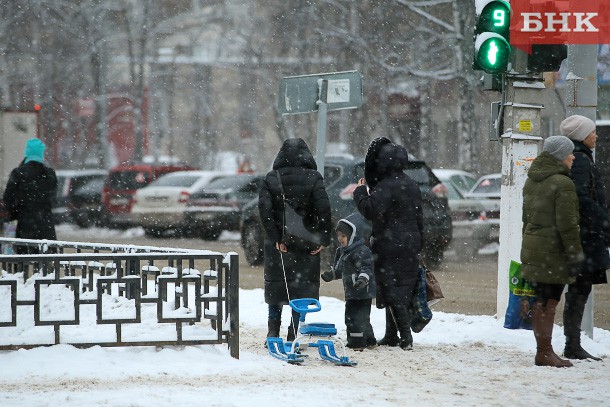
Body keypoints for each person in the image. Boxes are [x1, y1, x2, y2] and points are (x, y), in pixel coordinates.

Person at [258, 138, 332, 344]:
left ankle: (273, 332)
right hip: (306, 243)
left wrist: (275, 238)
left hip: (279, 244)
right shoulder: (314, 178)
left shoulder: (271, 178)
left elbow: (265, 211)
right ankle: (294, 332)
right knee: (302, 290)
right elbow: (324, 210)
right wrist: (322, 239)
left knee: (277, 287)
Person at [353, 137, 423, 350]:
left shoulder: (387, 186)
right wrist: (420, 242)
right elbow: (419, 217)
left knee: (392, 290)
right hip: (410, 242)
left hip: (391, 242)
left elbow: (369, 209)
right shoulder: (411, 184)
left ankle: (405, 337)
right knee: (401, 288)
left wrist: (360, 192)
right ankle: (392, 335)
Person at [521, 135, 584, 368]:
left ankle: (543, 351)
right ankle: (545, 353)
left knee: (540, 299)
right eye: (569, 152)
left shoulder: (532, 180)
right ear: (559, 155)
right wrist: (576, 255)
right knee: (549, 300)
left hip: (535, 248)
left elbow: (525, 219)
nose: (573, 156)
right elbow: (568, 225)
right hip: (553, 251)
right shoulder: (563, 183)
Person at [560, 115, 609, 361]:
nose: (596, 136)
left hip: (585, 235)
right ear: (581, 136)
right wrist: (603, 219)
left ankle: (573, 342)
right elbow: (581, 198)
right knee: (579, 289)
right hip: (585, 236)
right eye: (592, 132)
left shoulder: (580, 157)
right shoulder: (580, 160)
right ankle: (572, 343)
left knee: (579, 289)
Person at [321, 213, 376, 350]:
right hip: (352, 291)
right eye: (338, 235)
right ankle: (370, 340)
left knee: (353, 318)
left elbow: (367, 268)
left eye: (343, 236)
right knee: (363, 318)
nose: (340, 239)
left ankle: (356, 343)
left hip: (362, 291)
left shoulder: (362, 251)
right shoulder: (345, 252)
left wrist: (362, 279)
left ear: (353, 236)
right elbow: (340, 270)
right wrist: (331, 275)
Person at [2, 138, 57, 254]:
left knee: (22, 264)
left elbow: (8, 200)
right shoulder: (50, 174)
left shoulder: (18, 173)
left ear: (27, 152)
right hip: (46, 227)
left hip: (25, 226)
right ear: (41, 153)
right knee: (46, 266)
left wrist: (13, 214)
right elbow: (53, 200)